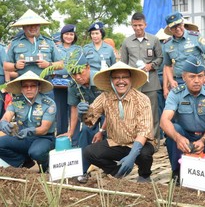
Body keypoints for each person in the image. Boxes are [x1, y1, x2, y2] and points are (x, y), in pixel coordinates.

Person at [77, 61, 155, 182]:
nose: (121, 81)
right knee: (89, 152)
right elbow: (90, 120)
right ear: (111, 80)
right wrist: (82, 113)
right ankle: (117, 171)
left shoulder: (142, 99)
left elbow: (144, 131)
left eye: (124, 77)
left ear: (131, 79)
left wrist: (132, 155)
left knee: (145, 154)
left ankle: (144, 175)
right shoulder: (105, 97)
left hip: (137, 144)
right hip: (115, 143)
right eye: (116, 78)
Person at [160, 56, 205, 183]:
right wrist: (178, 138)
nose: (197, 80)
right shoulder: (175, 93)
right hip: (184, 137)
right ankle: (177, 173)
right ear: (184, 77)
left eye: (200, 76)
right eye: (192, 76)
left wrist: (203, 140)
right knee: (174, 129)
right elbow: (164, 120)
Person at [121, 12, 163, 151]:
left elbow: (160, 58)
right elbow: (123, 64)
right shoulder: (127, 42)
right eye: (135, 25)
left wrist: (151, 65)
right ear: (131, 25)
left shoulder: (154, 40)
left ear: (145, 25)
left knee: (152, 113)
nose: (138, 28)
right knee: (133, 114)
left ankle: (153, 142)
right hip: (134, 84)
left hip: (151, 82)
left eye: (140, 25)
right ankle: (136, 142)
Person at [0, 70, 56, 172]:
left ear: (38, 88)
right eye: (25, 86)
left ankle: (45, 166)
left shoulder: (48, 103)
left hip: (44, 138)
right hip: (22, 136)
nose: (29, 89)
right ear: (21, 89)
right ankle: (24, 162)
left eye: (33, 86)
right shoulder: (17, 102)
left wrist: (30, 131)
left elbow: (44, 129)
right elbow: (6, 117)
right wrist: (3, 123)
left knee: (36, 152)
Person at [60, 55, 103, 183]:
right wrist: (71, 132)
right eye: (74, 74)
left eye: (80, 72)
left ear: (88, 68)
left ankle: (111, 167)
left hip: (109, 112)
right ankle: (82, 170)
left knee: (106, 136)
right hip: (90, 115)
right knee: (85, 131)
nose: (78, 77)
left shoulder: (100, 79)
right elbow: (73, 109)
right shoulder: (73, 85)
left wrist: (102, 131)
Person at [163, 11, 205, 98]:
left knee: (202, 108)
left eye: (179, 25)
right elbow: (167, 66)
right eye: (173, 27)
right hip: (180, 81)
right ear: (169, 29)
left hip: (198, 80)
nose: (177, 29)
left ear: (183, 23)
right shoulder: (167, 44)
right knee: (181, 109)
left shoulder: (195, 37)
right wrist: (171, 80)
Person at [4, 9, 63, 79]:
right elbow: (6, 66)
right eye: (29, 25)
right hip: (22, 84)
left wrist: (48, 64)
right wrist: (15, 66)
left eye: (36, 24)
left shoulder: (49, 42)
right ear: (23, 27)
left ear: (39, 25)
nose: (33, 27)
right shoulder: (15, 43)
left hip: (45, 83)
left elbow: (61, 65)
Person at [54, 24, 82, 136]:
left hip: (73, 82)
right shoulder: (56, 48)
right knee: (60, 113)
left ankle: (74, 139)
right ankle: (61, 137)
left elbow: (82, 65)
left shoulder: (78, 49)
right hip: (58, 83)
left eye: (71, 34)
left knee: (75, 110)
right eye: (66, 34)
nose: (69, 36)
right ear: (62, 35)